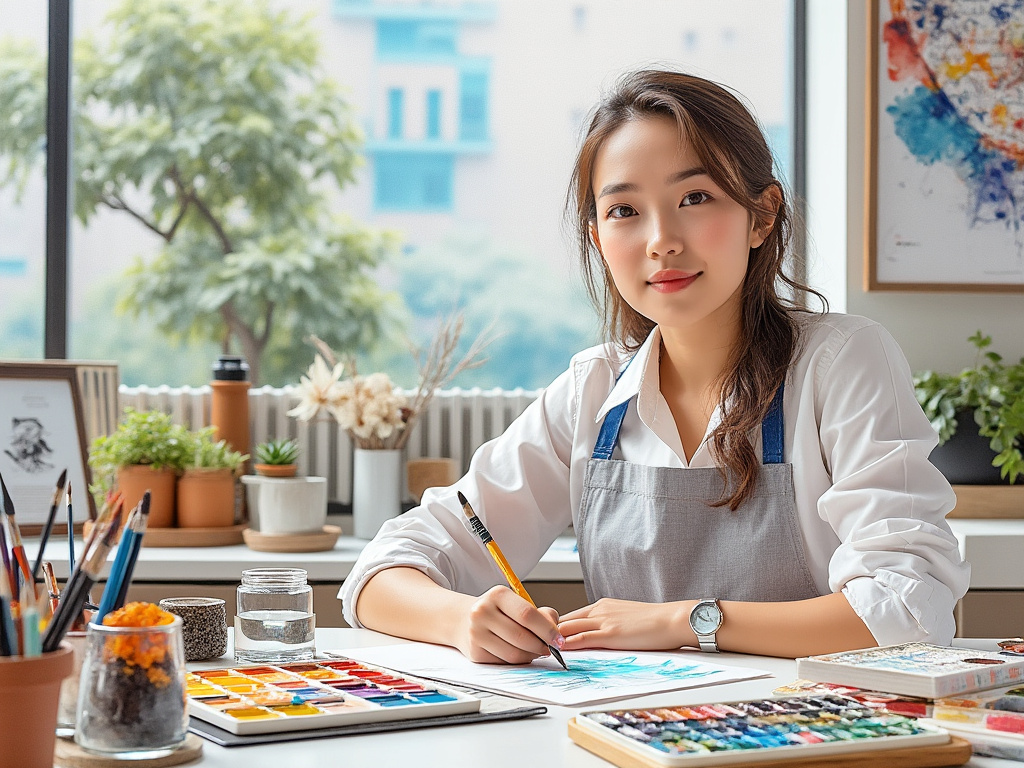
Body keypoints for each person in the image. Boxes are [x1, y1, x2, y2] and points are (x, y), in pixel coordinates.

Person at [340, 69, 970, 662]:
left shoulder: (840, 361)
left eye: (694, 197)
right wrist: (462, 620)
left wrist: (684, 621)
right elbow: (380, 574)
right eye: (624, 210)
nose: (661, 239)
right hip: (635, 735)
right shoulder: (593, 390)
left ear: (763, 214)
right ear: (597, 236)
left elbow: (911, 611)